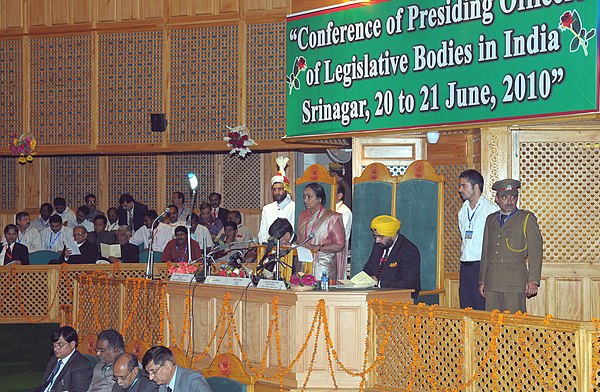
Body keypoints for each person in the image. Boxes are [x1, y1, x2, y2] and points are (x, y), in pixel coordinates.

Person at [479, 179, 543, 313]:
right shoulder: (490, 220)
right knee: (492, 323)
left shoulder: (526, 219)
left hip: (514, 282)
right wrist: (482, 280)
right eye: (504, 197)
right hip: (492, 281)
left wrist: (533, 280)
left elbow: (535, 252)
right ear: (497, 199)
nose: (509, 201)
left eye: (513, 197)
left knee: (514, 324)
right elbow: (486, 253)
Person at [457, 169, 499, 310]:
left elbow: (495, 247)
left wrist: (488, 276)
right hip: (465, 267)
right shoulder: (462, 211)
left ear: (475, 187)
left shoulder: (491, 211)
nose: (460, 189)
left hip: (482, 267)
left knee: (483, 310)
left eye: (464, 186)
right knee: (466, 309)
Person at [362, 215, 421, 299]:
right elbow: (368, 269)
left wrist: (379, 283)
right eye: (375, 236)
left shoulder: (409, 251)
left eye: (380, 236)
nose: (377, 240)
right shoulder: (379, 246)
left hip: (399, 299)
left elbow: (409, 284)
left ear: (392, 234)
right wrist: (368, 278)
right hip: (375, 296)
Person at [297, 182, 346, 281]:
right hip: (304, 265)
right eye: (304, 196)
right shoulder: (302, 215)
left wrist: (317, 247)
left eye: (309, 197)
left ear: (319, 199)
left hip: (324, 267)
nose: (305, 200)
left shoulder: (332, 217)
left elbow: (340, 245)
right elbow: (300, 240)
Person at [33, 326, 92, 392]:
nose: (55, 349)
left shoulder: (81, 365)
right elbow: (44, 385)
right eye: (54, 345)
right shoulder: (54, 359)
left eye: (60, 345)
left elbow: (78, 390)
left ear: (72, 344)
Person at [258, 156, 295, 244]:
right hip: (269, 248)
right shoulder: (267, 208)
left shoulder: (293, 207)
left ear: (286, 189)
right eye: (274, 189)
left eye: (280, 189)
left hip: (286, 249)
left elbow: (294, 231)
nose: (277, 192)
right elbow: (262, 232)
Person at [142, 346, 212, 392]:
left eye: (154, 372)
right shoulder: (163, 383)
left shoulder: (192, 381)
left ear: (167, 365)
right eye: (149, 373)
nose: (151, 378)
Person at [335, 184, 352, 277]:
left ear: (339, 195)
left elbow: (341, 235)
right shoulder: (325, 210)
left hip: (338, 251)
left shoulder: (344, 211)